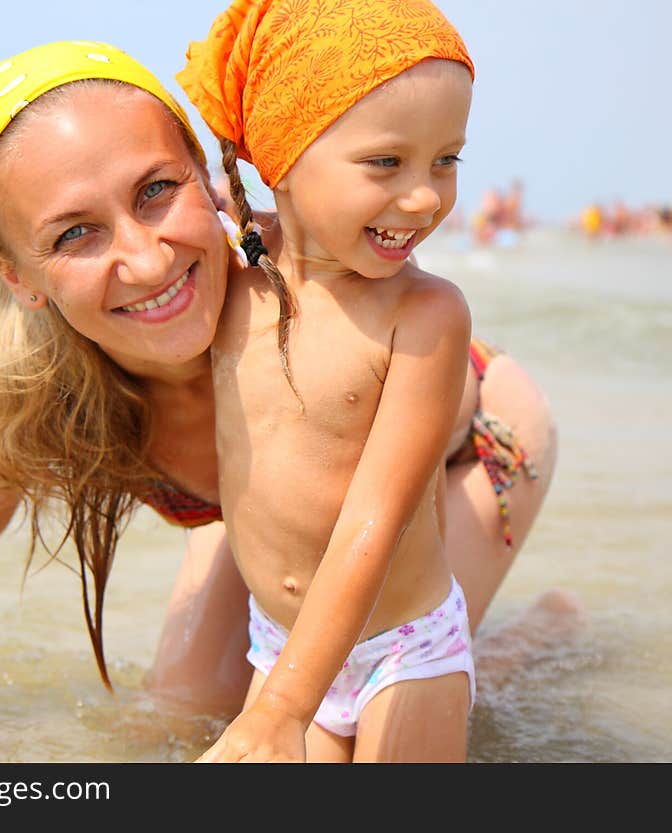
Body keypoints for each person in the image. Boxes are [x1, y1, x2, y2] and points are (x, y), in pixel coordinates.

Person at [0, 38, 563, 738]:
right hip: (288, 506)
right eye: (76, 233)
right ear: (19, 277)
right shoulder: (34, 391)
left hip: (471, 442)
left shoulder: (287, 283)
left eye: (156, 190)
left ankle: (534, 644)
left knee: (394, 669)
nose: (146, 258)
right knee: (182, 707)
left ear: (207, 176)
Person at [178, 0, 529, 762]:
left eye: (447, 160)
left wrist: (280, 710)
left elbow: (379, 519)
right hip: (280, 641)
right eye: (386, 162)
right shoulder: (231, 276)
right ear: (283, 156)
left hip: (403, 650)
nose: (425, 197)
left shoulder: (427, 316)